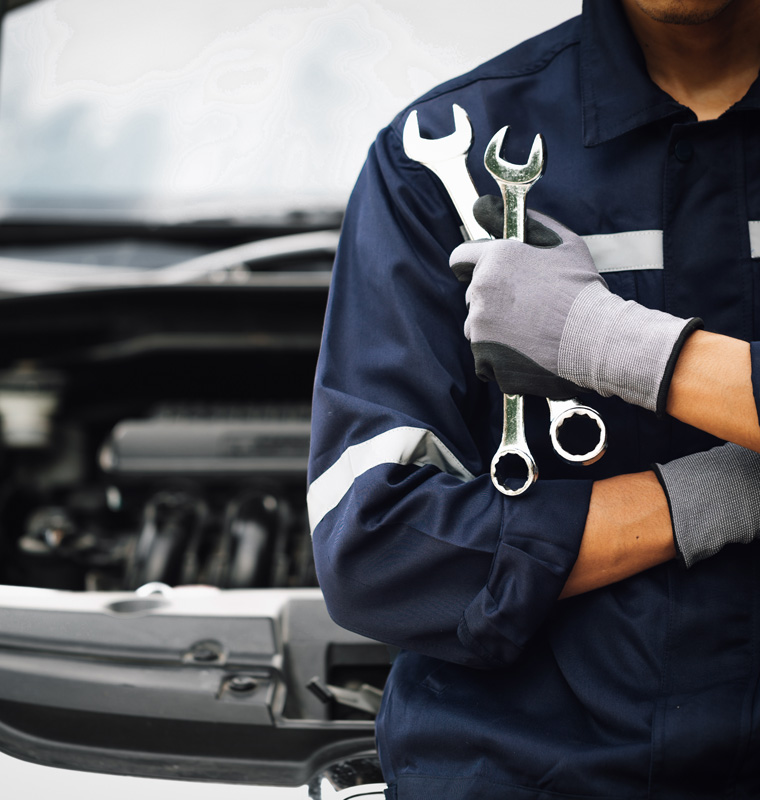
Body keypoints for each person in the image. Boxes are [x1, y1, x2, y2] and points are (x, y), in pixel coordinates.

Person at [307, 0, 760, 797]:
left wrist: (599, 336)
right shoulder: (436, 162)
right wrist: (714, 495)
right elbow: (378, 546)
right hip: (524, 775)